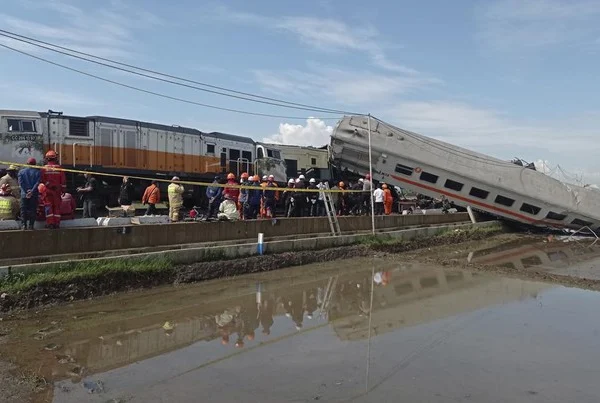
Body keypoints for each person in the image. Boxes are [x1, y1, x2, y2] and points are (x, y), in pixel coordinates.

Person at [40, 150, 66, 229]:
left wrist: (49, 185)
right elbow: (63, 180)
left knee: (48, 207)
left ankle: (50, 223)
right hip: (57, 191)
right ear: (55, 158)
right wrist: (63, 190)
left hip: (48, 191)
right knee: (56, 207)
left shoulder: (44, 168)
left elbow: (42, 180)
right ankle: (57, 223)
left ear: (47, 159)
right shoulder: (60, 168)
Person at [18, 158, 40, 230]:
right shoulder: (38, 172)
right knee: (33, 209)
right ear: (35, 164)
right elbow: (37, 183)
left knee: (23, 210)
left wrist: (26, 191)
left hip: (24, 194)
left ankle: (24, 225)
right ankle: (31, 225)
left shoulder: (21, 172)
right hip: (33, 195)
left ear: (27, 163)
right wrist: (32, 191)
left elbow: (21, 183)